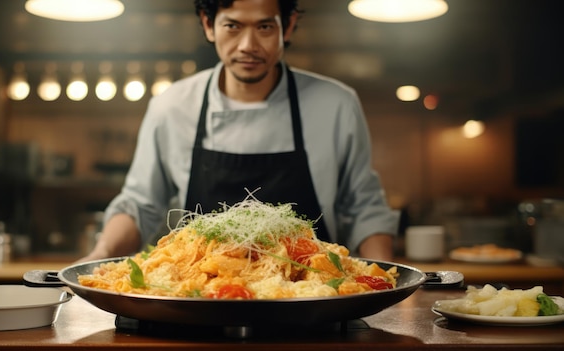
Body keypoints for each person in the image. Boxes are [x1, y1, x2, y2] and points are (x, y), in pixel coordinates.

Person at [78, 0, 398, 263]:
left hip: (312, 301)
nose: (248, 46)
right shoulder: (171, 106)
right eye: (232, 26)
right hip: (197, 300)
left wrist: (385, 279)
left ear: (287, 27)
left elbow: (363, 206)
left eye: (264, 27)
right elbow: (139, 204)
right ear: (208, 24)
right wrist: (98, 255)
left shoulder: (336, 104)